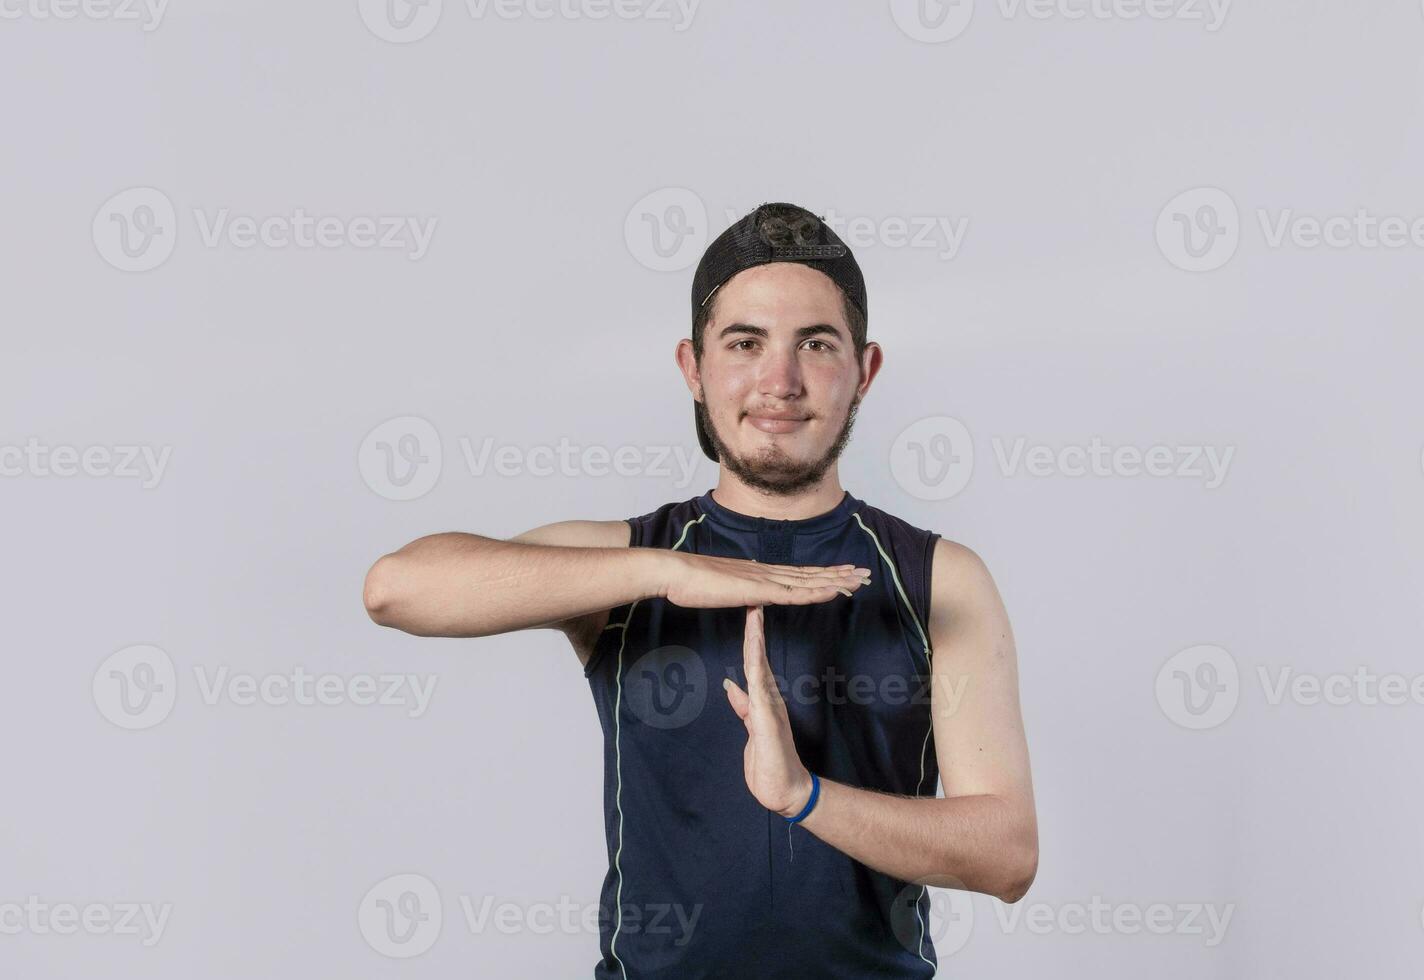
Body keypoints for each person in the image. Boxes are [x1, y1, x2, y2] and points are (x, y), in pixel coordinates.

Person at [362, 202, 1038, 978]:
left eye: (815, 345)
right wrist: (668, 572)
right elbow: (396, 589)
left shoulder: (936, 577)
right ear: (694, 367)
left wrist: (806, 797)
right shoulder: (630, 561)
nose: (778, 381)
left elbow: (1006, 855)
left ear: (865, 370)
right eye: (744, 343)